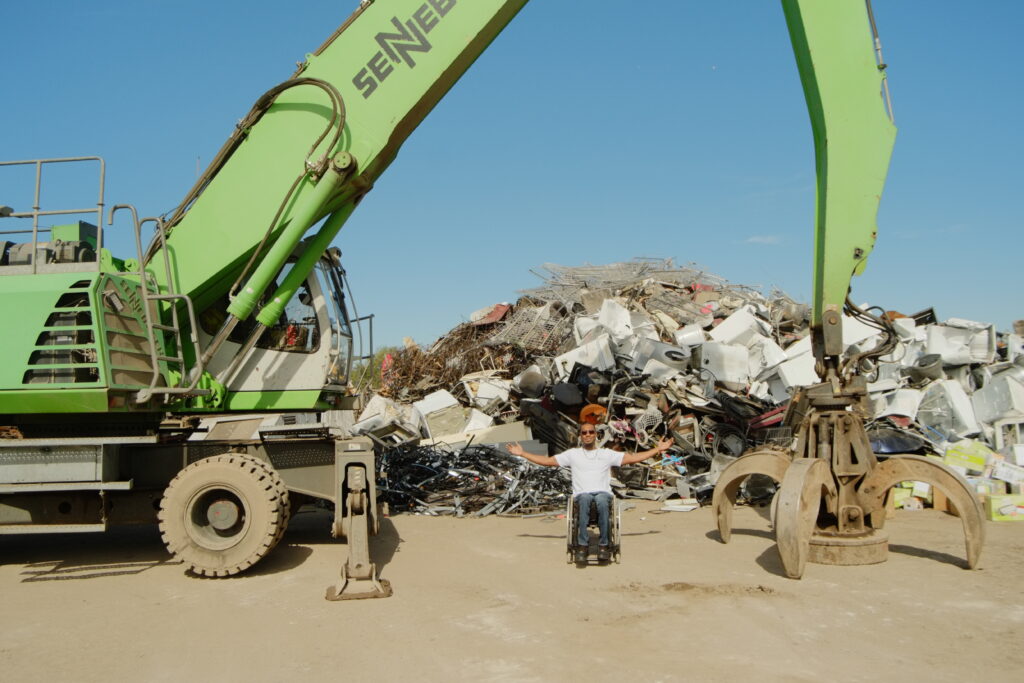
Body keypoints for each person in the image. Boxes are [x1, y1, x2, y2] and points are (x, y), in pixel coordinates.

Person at [508, 425, 672, 563]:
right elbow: (549, 461)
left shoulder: (606, 454)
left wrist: (657, 449)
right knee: (585, 499)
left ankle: (603, 546)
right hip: (582, 494)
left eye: (591, 432)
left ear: (596, 435)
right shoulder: (573, 454)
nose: (587, 435)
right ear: (580, 435)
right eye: (584, 432)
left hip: (603, 493)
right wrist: (523, 454)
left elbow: (633, 458)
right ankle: (582, 546)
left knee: (601, 500)